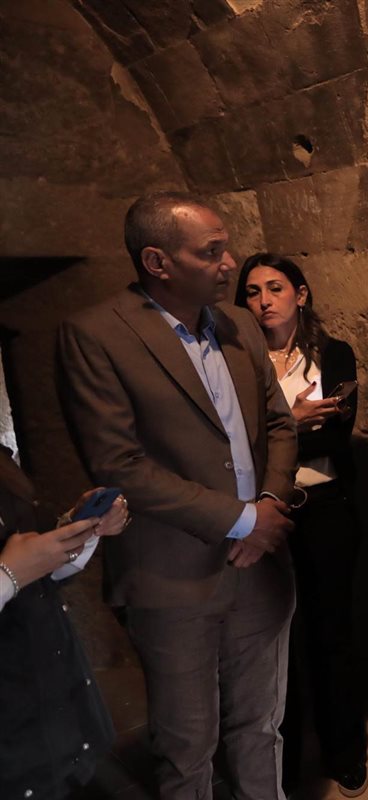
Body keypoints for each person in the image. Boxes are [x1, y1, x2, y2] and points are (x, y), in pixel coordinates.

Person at [56, 192, 299, 800]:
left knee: (261, 728)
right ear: (158, 262)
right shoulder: (96, 335)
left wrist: (270, 505)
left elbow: (278, 424)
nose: (229, 263)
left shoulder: (238, 325)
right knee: (188, 748)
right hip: (172, 578)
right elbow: (120, 465)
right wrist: (242, 520)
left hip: (261, 568)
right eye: (212, 252)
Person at [235, 253, 368, 797]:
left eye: (275, 287)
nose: (264, 300)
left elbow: (336, 434)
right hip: (263, 512)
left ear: (301, 294)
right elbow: (233, 446)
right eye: (252, 291)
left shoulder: (332, 354)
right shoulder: (237, 362)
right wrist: (293, 421)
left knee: (332, 632)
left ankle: (345, 750)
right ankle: (284, 765)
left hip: (325, 507)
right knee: (273, 642)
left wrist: (273, 434)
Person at [0, 448, 129, 799]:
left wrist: (78, 532)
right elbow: (15, 569)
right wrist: (9, 575)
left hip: (51, 692)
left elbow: (39, 569)